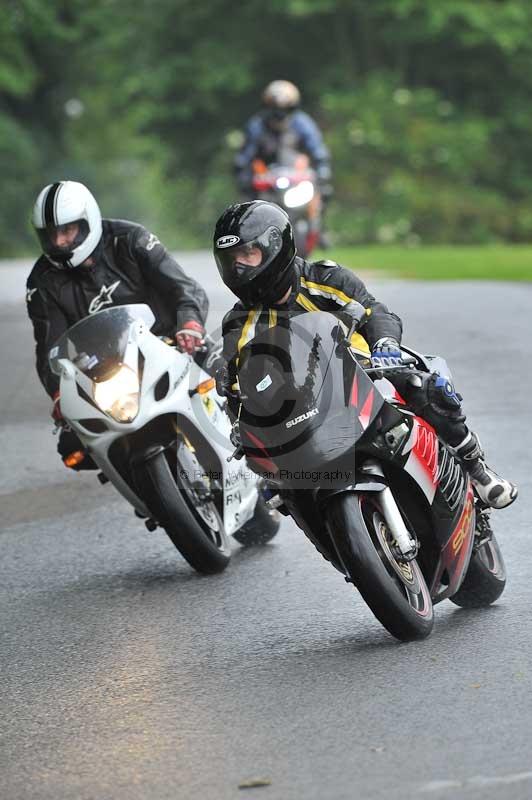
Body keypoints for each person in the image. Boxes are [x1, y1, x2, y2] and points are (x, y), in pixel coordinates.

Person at [212, 200, 517, 510]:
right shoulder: (237, 324)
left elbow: (375, 311)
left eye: (248, 255)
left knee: (422, 386)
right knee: (283, 492)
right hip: (299, 409)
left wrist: (385, 343)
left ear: (276, 246)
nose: (240, 268)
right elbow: (240, 384)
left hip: (363, 373)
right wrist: (241, 415)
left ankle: (477, 471)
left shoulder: (324, 279)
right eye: (231, 259)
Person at [26, 180, 216, 469]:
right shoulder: (42, 281)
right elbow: (49, 347)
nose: (60, 242)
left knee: (229, 372)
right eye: (52, 235)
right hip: (104, 373)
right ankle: (145, 494)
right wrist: (57, 394)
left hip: (169, 344)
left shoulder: (130, 239)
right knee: (72, 449)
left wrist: (189, 324)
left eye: (67, 230)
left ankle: (270, 452)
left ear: (87, 222)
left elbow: (182, 288)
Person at [234, 80, 333, 208]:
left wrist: (322, 171)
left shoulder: (302, 124)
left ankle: (314, 227)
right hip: (265, 187)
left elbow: (318, 151)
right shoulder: (256, 126)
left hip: (298, 184)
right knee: (247, 211)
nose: (280, 115)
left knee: (317, 201)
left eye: (286, 109)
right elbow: (244, 158)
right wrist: (244, 178)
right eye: (274, 110)